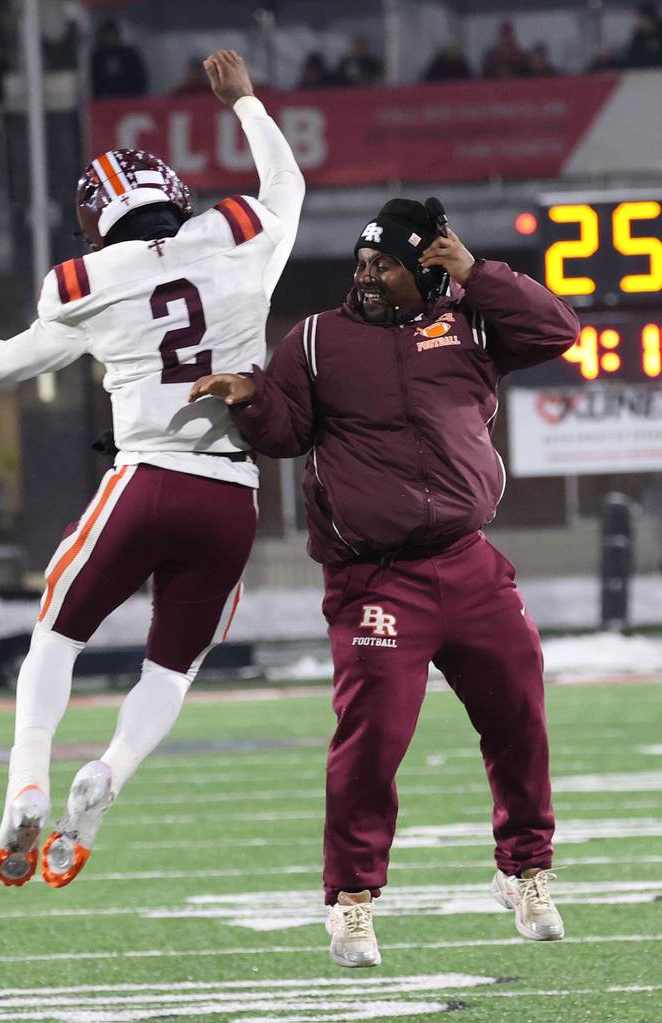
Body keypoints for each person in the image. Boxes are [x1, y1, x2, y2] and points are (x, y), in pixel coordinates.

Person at [0, 50, 304, 889]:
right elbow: (287, 188)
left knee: (55, 636)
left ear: (97, 220)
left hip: (147, 479)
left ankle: (27, 780)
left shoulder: (83, 283)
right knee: (171, 668)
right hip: (230, 493)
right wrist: (243, 105)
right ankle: (111, 773)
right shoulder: (237, 239)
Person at [189, 198, 580, 967]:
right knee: (372, 743)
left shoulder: (470, 317)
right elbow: (288, 434)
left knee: (519, 714)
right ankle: (352, 898)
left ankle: (527, 870)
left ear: (425, 268)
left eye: (385, 266)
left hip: (468, 560)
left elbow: (556, 332)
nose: (367, 279)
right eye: (361, 265)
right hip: (376, 577)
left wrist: (478, 271)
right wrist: (252, 400)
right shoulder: (314, 338)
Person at [90, 19, 148, 98]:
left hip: (129, 100)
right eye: (107, 35)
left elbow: (140, 78)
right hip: (104, 102)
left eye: (112, 34)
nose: (110, 38)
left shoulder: (129, 54)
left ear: (117, 35)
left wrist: (135, 96)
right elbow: (93, 81)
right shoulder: (97, 58)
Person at [623, 2, 662, 67]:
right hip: (643, 74)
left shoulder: (659, 34)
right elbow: (631, 57)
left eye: (642, 18)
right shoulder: (639, 35)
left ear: (651, 18)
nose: (639, 22)